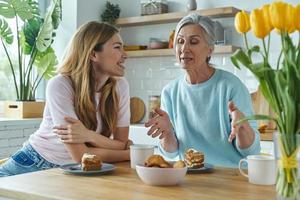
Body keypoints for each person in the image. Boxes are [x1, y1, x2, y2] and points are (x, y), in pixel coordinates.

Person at [0, 21, 132, 177]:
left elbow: (121, 143)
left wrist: (89, 135)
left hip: (73, 170)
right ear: (93, 54)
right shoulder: (60, 85)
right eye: (117, 47)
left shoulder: (120, 87)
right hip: (32, 164)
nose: (125, 55)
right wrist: (128, 154)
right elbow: (81, 156)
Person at [145, 14, 261, 168]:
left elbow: (251, 152)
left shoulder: (231, 86)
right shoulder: (170, 92)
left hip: (230, 177)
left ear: (210, 50)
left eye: (193, 42)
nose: (184, 48)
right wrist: (167, 132)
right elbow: (171, 153)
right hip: (189, 177)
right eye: (180, 41)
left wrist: (243, 127)